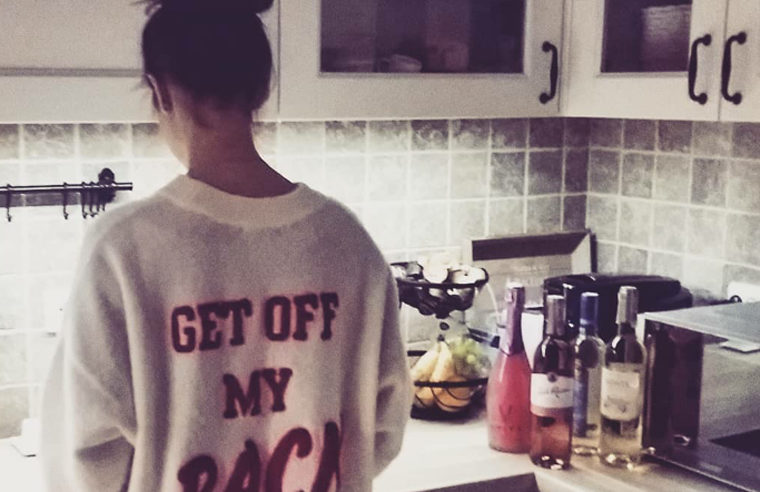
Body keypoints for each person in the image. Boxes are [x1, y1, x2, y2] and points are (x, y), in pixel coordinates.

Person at [39, 0, 411, 490]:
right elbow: (381, 429)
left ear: (160, 92)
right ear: (263, 87)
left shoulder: (123, 250)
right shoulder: (348, 243)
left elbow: (83, 454)